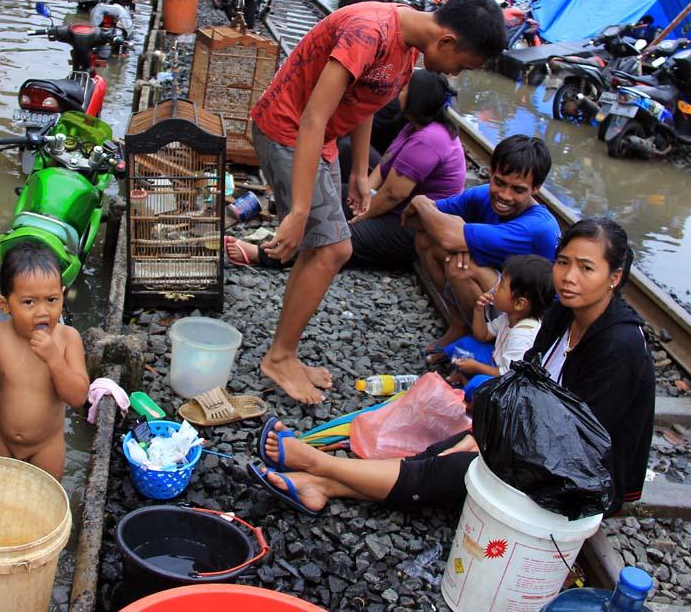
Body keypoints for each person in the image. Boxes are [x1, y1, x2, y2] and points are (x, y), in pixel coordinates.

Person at [247, 218, 654, 519]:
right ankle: (322, 485)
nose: (569, 277)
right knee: (453, 443)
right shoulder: (564, 313)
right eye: (563, 262)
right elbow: (525, 384)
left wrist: (500, 444)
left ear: (614, 278)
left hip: (583, 476)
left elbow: (581, 440)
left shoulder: (619, 345)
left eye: (586, 268)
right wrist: (486, 432)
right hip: (545, 441)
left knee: (467, 464)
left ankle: (319, 465)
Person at [247, 0, 507, 404]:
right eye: (463, 66)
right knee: (334, 250)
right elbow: (313, 116)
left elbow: (366, 99)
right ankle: (279, 357)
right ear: (448, 42)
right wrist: (298, 210)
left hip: (322, 141)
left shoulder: (405, 47)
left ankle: (285, 352)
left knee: (325, 249)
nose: (456, 75)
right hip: (289, 131)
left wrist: (357, 175)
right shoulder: (370, 31)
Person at [226, 70, 466, 270]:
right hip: (394, 208)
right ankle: (288, 225)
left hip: (411, 227)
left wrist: (363, 215)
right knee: (325, 200)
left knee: (336, 241)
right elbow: (384, 167)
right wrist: (363, 195)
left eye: (404, 90)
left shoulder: (429, 140)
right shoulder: (414, 126)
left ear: (415, 99)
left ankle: (264, 255)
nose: (399, 92)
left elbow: (393, 194)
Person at [402, 134, 559, 362]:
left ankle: (483, 341)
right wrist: (420, 203)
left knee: (461, 266)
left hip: (532, 315)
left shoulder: (536, 227)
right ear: (490, 172)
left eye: (518, 189)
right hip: (503, 291)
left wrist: (456, 231)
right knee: (426, 241)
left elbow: (446, 237)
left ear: (536, 188)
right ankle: (460, 325)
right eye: (500, 182)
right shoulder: (482, 195)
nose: (504, 195)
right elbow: (414, 220)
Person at [0, 243, 89, 480]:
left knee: (43, 507)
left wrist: (54, 360)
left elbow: (78, 397)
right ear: (4, 304)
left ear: (62, 294)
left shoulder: (67, 339)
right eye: (29, 302)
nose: (43, 311)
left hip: (46, 448)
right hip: (2, 440)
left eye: (52, 299)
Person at [449, 253, 554, 387]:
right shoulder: (509, 317)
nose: (495, 288)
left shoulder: (522, 337)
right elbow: (483, 335)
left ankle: (468, 396)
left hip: (507, 381)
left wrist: (477, 367)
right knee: (467, 343)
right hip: (495, 361)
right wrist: (479, 311)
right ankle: (459, 375)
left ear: (519, 304)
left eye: (501, 285)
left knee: (478, 383)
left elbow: (508, 375)